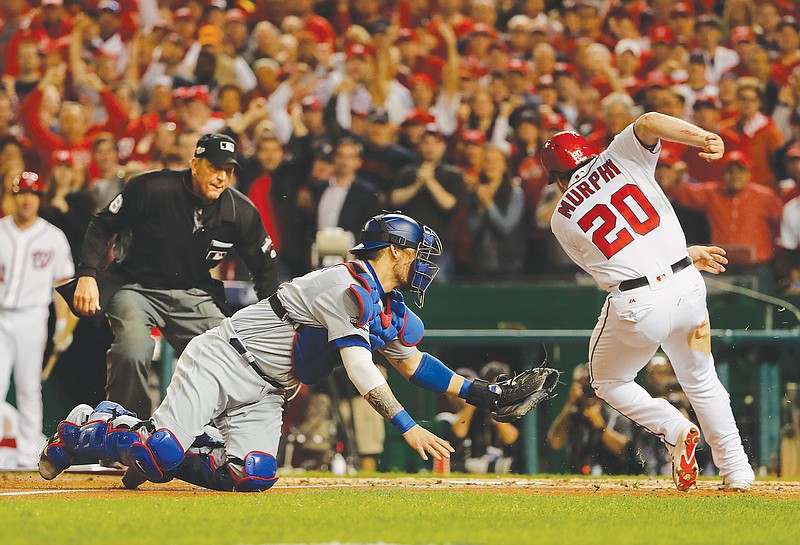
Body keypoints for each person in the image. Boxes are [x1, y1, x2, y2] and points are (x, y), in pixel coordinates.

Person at [39, 212, 553, 491]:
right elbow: (358, 365)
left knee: (253, 473)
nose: (424, 262)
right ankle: (92, 424)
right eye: (418, 251)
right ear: (394, 250)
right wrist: (406, 424)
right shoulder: (345, 285)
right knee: (160, 454)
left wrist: (481, 394)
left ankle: (175, 441)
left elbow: (412, 362)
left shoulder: (385, 302)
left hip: (269, 391)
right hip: (225, 359)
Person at [542, 112, 755, 492]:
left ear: (557, 178)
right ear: (587, 153)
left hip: (638, 302)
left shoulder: (561, 217)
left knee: (607, 379)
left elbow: (613, 265)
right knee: (702, 380)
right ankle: (737, 469)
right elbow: (650, 119)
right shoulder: (619, 154)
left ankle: (673, 428)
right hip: (688, 284)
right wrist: (702, 137)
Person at [69, 133, 279, 420]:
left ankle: (218, 439)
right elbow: (101, 225)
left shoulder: (239, 211)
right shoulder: (152, 188)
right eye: (214, 167)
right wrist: (87, 275)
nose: (221, 177)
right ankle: (125, 431)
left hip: (193, 293)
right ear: (195, 164)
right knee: (133, 350)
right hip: (135, 288)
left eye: (227, 171)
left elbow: (266, 272)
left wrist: (273, 326)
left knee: (231, 358)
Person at [0, 172, 74, 468]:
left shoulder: (52, 236)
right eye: (22, 194)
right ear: (12, 197)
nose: (27, 199)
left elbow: (62, 284)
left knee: (29, 385)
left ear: (39, 199)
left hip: (33, 316)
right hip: (1, 316)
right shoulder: (1, 230)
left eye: (32, 194)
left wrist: (62, 324)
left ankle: (30, 451)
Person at [546, 363, 633, 476]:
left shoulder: (614, 410)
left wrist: (598, 423)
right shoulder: (574, 412)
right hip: (578, 478)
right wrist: (569, 404)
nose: (587, 388)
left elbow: (622, 447)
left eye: (589, 382)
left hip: (612, 477)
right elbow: (555, 442)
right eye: (581, 383)